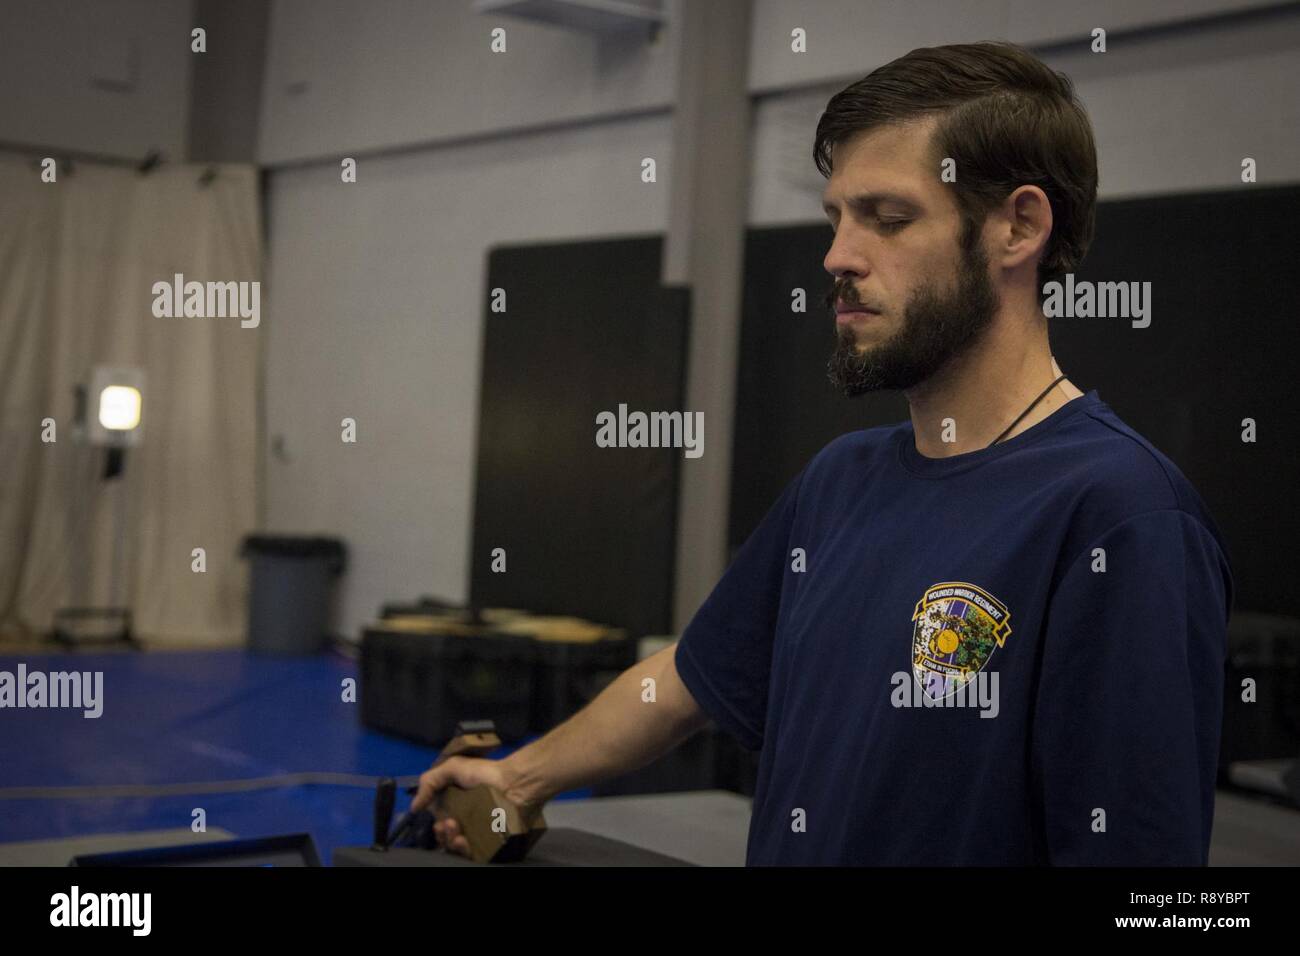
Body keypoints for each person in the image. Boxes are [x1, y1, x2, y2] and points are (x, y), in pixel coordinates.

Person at [411, 41, 1233, 865]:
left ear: (1017, 226)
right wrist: (517, 780)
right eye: (836, 217)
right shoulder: (841, 480)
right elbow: (689, 682)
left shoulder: (1121, 515)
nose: (838, 256)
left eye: (888, 217)